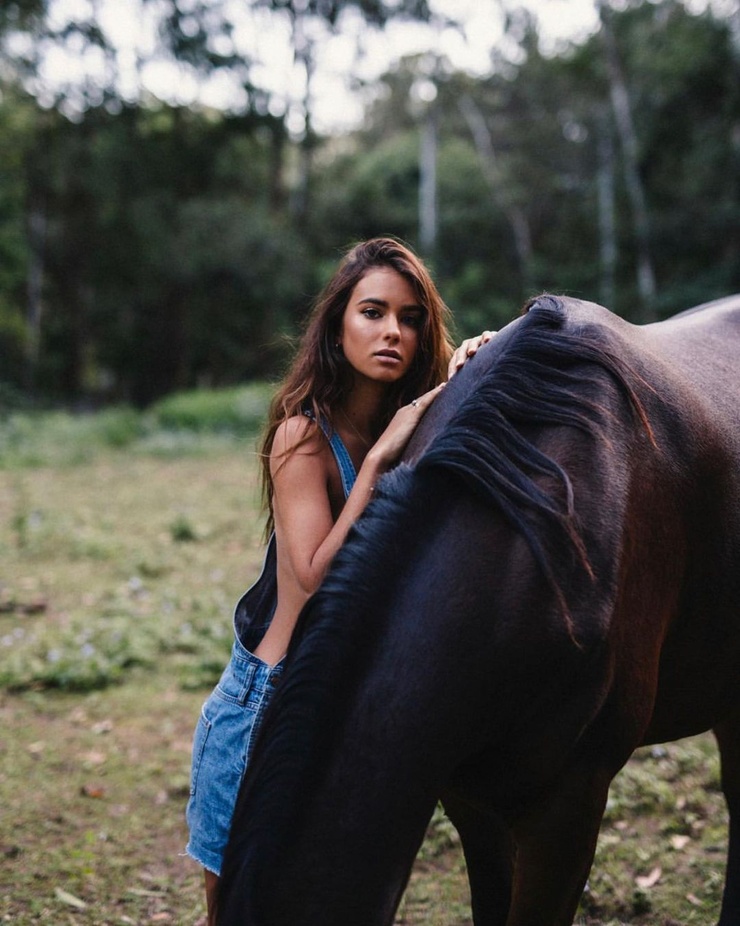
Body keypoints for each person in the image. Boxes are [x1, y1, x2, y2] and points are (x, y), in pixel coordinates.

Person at [185, 237, 493, 925]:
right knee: (238, 910)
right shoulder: (303, 437)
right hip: (265, 707)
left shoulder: (403, 423)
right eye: (373, 312)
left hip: (346, 706)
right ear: (336, 326)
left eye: (410, 318)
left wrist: (472, 363)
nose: (392, 331)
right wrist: (383, 458)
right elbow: (315, 574)